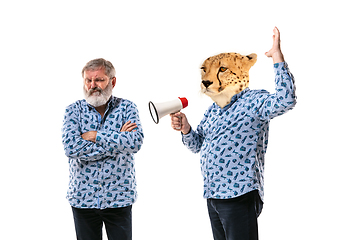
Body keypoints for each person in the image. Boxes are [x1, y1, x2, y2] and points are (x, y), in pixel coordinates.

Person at [170, 27, 296, 240]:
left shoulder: (254, 101)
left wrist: (277, 58)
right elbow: (198, 145)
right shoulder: (213, 110)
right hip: (213, 196)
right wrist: (186, 129)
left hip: (238, 195)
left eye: (222, 70)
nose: (208, 78)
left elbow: (286, 100)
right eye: (206, 70)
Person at [62, 58, 144, 240]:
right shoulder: (73, 111)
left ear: (112, 81)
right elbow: (71, 148)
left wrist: (96, 136)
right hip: (82, 199)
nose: (93, 85)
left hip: (119, 198)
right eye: (88, 80)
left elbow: (135, 142)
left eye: (99, 80)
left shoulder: (127, 108)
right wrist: (117, 141)